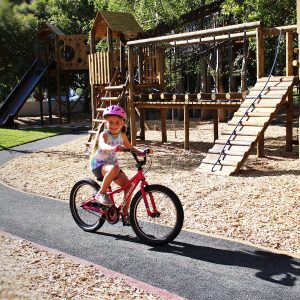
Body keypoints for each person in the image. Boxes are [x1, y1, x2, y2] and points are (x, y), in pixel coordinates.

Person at [90, 105, 147, 223]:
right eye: (110, 122)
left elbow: (130, 147)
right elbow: (103, 146)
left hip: (112, 167)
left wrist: (143, 152)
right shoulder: (104, 135)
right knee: (115, 168)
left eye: (117, 122)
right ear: (106, 123)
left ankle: (125, 214)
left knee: (129, 187)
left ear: (122, 123)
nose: (114, 125)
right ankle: (101, 193)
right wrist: (113, 148)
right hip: (99, 165)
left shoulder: (122, 136)